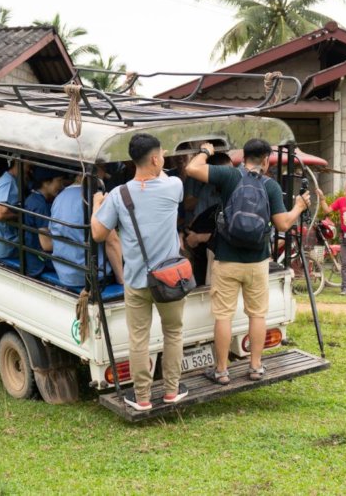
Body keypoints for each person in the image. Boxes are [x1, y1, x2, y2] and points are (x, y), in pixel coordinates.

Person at [186, 139, 310, 385]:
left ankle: (221, 371)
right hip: (257, 262)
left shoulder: (229, 176)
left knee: (223, 316)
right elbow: (283, 224)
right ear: (266, 160)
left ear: (243, 157)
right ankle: (255, 366)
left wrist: (206, 151)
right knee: (257, 315)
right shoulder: (271, 186)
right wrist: (298, 206)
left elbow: (192, 169)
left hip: (226, 260)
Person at [92, 133, 188, 411]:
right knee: (173, 333)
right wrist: (160, 164)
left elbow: (99, 233)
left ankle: (142, 397)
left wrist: (98, 204)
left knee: (139, 339)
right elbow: (166, 177)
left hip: (136, 279)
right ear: (156, 158)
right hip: (170, 277)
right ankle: (171, 391)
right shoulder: (174, 186)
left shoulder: (119, 195)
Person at [47, 173, 124, 288]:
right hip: (92, 276)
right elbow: (112, 242)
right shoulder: (93, 199)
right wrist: (122, 280)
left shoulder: (58, 198)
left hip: (64, 272)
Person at [182, 151, 232, 285]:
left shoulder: (238, 193)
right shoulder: (208, 191)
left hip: (225, 254)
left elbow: (229, 232)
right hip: (212, 251)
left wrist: (198, 237)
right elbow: (197, 222)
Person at [21, 167, 65, 276]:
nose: (61, 186)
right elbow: (46, 245)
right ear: (46, 183)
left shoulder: (32, 198)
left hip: (31, 258)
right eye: (58, 181)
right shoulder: (40, 206)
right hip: (40, 263)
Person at [0, 159, 27, 259]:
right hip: (5, 247)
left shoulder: (7, 179)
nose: (31, 172)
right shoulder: (8, 182)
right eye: (29, 167)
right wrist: (20, 216)